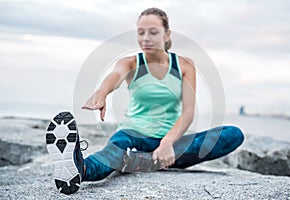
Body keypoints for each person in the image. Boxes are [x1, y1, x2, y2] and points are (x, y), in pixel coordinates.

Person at [45, 7, 244, 195]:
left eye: (153, 32)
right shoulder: (130, 62)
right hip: (132, 135)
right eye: (141, 32)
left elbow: (188, 112)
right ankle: (80, 169)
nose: (145, 38)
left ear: (167, 34)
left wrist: (166, 144)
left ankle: (140, 161)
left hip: (170, 143)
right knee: (113, 153)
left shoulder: (184, 65)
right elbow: (114, 76)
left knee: (232, 134)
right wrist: (102, 92)